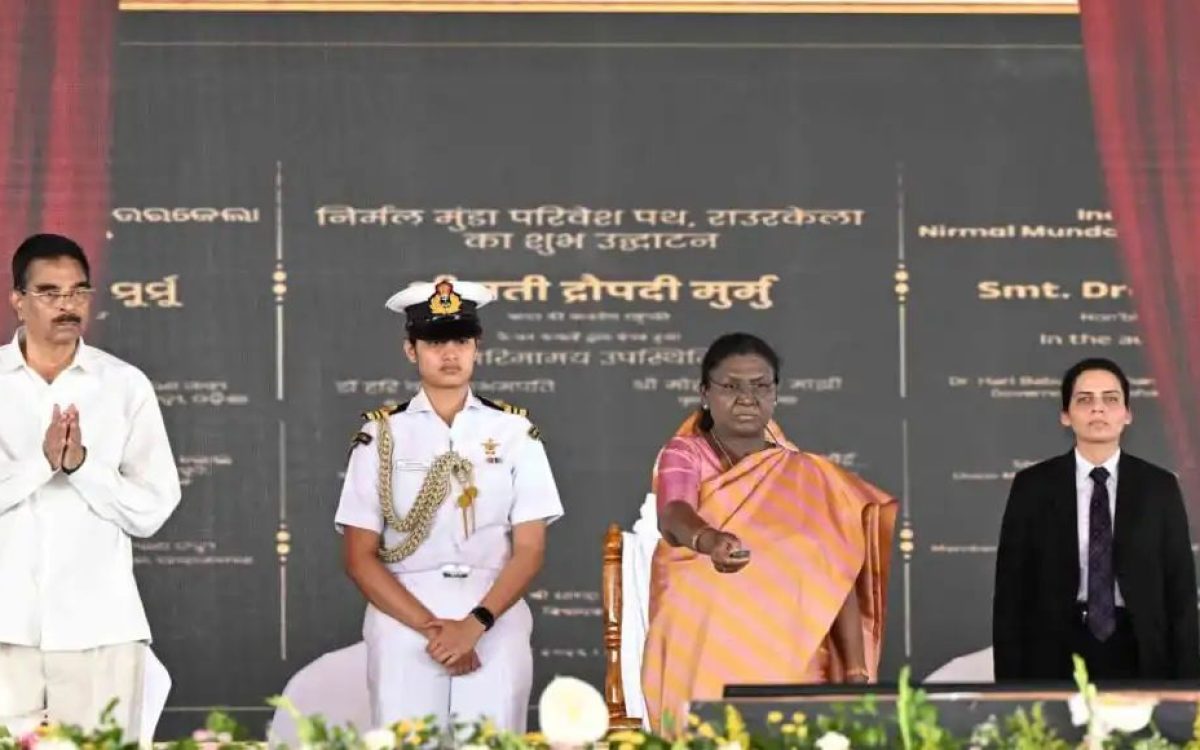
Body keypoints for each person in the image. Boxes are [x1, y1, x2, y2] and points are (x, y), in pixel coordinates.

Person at [335, 278, 563, 732]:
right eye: (435, 342)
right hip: (404, 613)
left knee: (492, 741)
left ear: (477, 347)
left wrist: (473, 625)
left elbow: (530, 548)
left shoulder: (515, 433)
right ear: (411, 350)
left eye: (461, 340)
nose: (450, 354)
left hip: (493, 609)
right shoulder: (380, 436)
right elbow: (360, 557)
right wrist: (434, 630)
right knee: (405, 742)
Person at [640, 332, 897, 733]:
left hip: (790, 649)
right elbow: (673, 513)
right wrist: (708, 539)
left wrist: (855, 672)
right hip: (704, 633)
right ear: (705, 393)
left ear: (775, 393)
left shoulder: (804, 473)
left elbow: (838, 571)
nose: (747, 398)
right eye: (731, 387)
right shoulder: (685, 452)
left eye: (760, 386)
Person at [0, 234, 181, 733]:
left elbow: (152, 509)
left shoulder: (123, 384)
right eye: (49, 292)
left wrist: (82, 467)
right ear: (18, 300)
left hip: (101, 626)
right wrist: (40, 465)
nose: (67, 305)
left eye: (78, 291)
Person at [993, 357, 1199, 681]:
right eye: (1085, 400)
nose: (1098, 409)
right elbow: (1010, 595)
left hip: (1139, 650)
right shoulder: (1033, 486)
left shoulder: (1159, 487)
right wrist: (1009, 689)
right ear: (1065, 415)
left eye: (1111, 399)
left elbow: (1180, 591)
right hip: (1054, 651)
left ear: (1127, 414)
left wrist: (1188, 684)